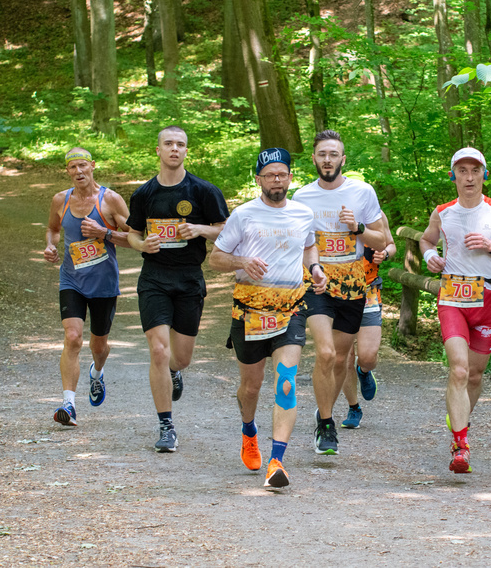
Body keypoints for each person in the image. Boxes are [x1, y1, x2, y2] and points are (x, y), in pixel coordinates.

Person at [210, 148, 327, 488]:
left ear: (291, 177)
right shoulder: (244, 215)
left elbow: (308, 246)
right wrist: (242, 261)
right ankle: (249, 430)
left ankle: (277, 460)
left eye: (282, 174)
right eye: (270, 175)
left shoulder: (304, 213)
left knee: (286, 379)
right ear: (258, 179)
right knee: (251, 386)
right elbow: (216, 258)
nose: (277, 179)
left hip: (290, 307)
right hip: (250, 309)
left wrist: (316, 269)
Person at [420, 147, 491, 473]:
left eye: (475, 171)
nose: (469, 177)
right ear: (453, 175)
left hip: (487, 299)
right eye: (462, 171)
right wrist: (429, 258)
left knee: (476, 375)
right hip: (452, 296)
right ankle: (461, 445)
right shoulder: (442, 212)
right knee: (459, 370)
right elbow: (427, 241)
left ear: (484, 174)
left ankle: (459, 417)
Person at [126, 126, 229, 453]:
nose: (174, 149)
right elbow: (130, 233)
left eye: (180, 144)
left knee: (179, 357)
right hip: (154, 277)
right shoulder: (144, 194)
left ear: (186, 151)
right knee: (158, 349)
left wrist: (198, 228)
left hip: (188, 278)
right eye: (168, 143)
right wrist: (143, 242)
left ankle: (174, 371)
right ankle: (166, 425)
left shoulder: (203, 191)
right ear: (157, 150)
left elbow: (226, 230)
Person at [292, 130, 385, 455]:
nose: (327, 159)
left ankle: (324, 411)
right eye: (322, 154)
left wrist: (357, 228)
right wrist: (313, 266)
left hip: (353, 284)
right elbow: (301, 244)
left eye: (333, 154)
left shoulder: (362, 192)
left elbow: (383, 241)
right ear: (314, 158)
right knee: (327, 353)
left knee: (342, 359)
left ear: (342, 159)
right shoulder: (302, 197)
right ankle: (327, 424)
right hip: (317, 284)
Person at [44, 147, 131, 426]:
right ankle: (68, 405)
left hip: (104, 282)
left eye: (83, 165)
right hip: (71, 279)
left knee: (99, 345)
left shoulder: (111, 200)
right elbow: (53, 229)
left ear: (92, 166)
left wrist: (103, 233)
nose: (78, 172)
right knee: (72, 337)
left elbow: (134, 237)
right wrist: (50, 246)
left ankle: (97, 372)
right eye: (72, 167)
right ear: (67, 171)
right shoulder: (61, 200)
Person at [340, 212, 395, 429]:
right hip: (339, 292)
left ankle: (364, 371)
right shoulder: (327, 213)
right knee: (344, 356)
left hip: (369, 291)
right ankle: (354, 407)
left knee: (368, 356)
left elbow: (390, 244)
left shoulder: (376, 215)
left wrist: (385, 255)